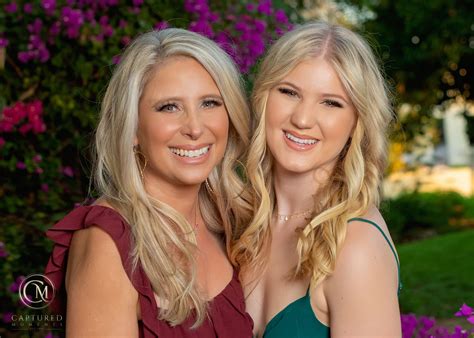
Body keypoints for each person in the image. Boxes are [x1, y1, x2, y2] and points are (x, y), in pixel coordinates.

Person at [44, 28, 254, 337]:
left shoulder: (230, 221)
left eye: (209, 103)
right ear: (132, 129)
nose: (195, 128)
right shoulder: (110, 242)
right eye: (169, 107)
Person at [232, 21, 402, 337]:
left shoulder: (355, 246)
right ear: (263, 98)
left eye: (331, 102)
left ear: (357, 121)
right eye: (289, 92)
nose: (303, 119)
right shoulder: (241, 223)